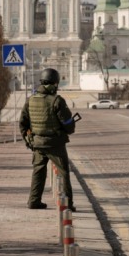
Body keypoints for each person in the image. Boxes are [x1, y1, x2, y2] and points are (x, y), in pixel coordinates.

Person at [19, 68, 77, 211]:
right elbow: (68, 124)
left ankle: (34, 201)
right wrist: (67, 129)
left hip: (37, 143)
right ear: (55, 84)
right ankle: (67, 205)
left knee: (38, 172)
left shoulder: (30, 100)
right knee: (63, 173)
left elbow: (22, 123)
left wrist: (28, 141)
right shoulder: (57, 101)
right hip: (55, 143)